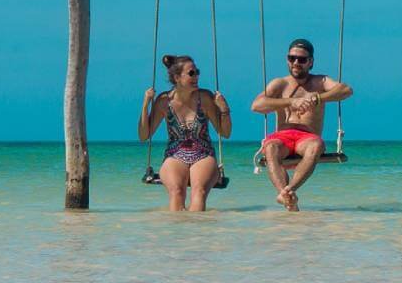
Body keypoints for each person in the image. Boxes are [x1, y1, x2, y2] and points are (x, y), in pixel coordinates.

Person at [251, 38, 352, 211]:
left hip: (307, 137)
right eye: (292, 58)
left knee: (316, 145)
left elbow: (346, 90)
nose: (296, 63)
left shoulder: (320, 81)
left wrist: (318, 98)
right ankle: (287, 197)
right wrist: (291, 102)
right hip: (283, 136)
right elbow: (257, 105)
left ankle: (288, 191)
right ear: (287, 60)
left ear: (310, 62)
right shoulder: (280, 83)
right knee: (270, 148)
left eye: (302, 59)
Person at [138, 54, 232, 211]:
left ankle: (197, 233)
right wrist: (146, 104)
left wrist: (224, 109)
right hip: (175, 155)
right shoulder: (163, 101)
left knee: (199, 192)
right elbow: (143, 136)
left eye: (197, 72)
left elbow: (225, 133)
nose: (196, 76)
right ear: (177, 77)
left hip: (203, 154)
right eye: (191, 73)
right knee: (177, 192)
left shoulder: (205, 98)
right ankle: (177, 233)